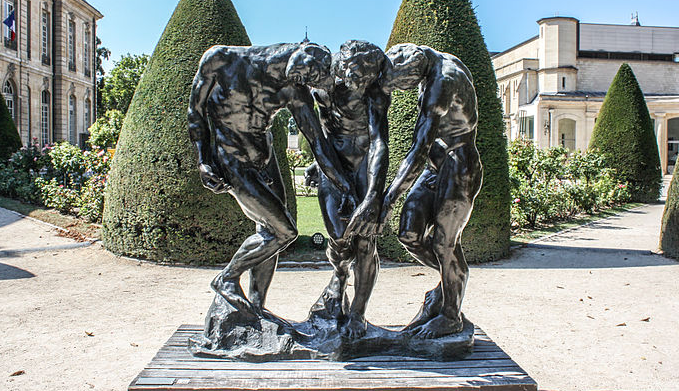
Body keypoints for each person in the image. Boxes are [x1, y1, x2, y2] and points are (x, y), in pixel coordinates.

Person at [188, 42, 353, 319]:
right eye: (307, 79)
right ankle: (227, 279)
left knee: (268, 230)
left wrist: (343, 185)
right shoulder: (221, 60)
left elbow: (317, 142)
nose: (305, 86)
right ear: (297, 64)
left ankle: (255, 308)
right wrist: (204, 159)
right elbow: (196, 112)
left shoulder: (292, 89)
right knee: (283, 231)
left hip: (265, 159)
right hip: (231, 158)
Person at [367, 43, 483, 339]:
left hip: (459, 166)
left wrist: (387, 199)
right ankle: (449, 283)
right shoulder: (436, 62)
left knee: (445, 244)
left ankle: (451, 315)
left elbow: (419, 149)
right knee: (409, 234)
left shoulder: (441, 83)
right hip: (437, 165)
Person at [307, 40, 391, 338]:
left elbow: (380, 142)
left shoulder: (375, 92)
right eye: (354, 74)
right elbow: (316, 130)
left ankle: (358, 312)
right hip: (333, 164)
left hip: (365, 165)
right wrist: (317, 162)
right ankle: (340, 275)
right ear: (340, 67)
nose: (359, 82)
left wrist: (373, 195)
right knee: (338, 238)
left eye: (365, 76)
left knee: (366, 242)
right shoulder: (320, 85)